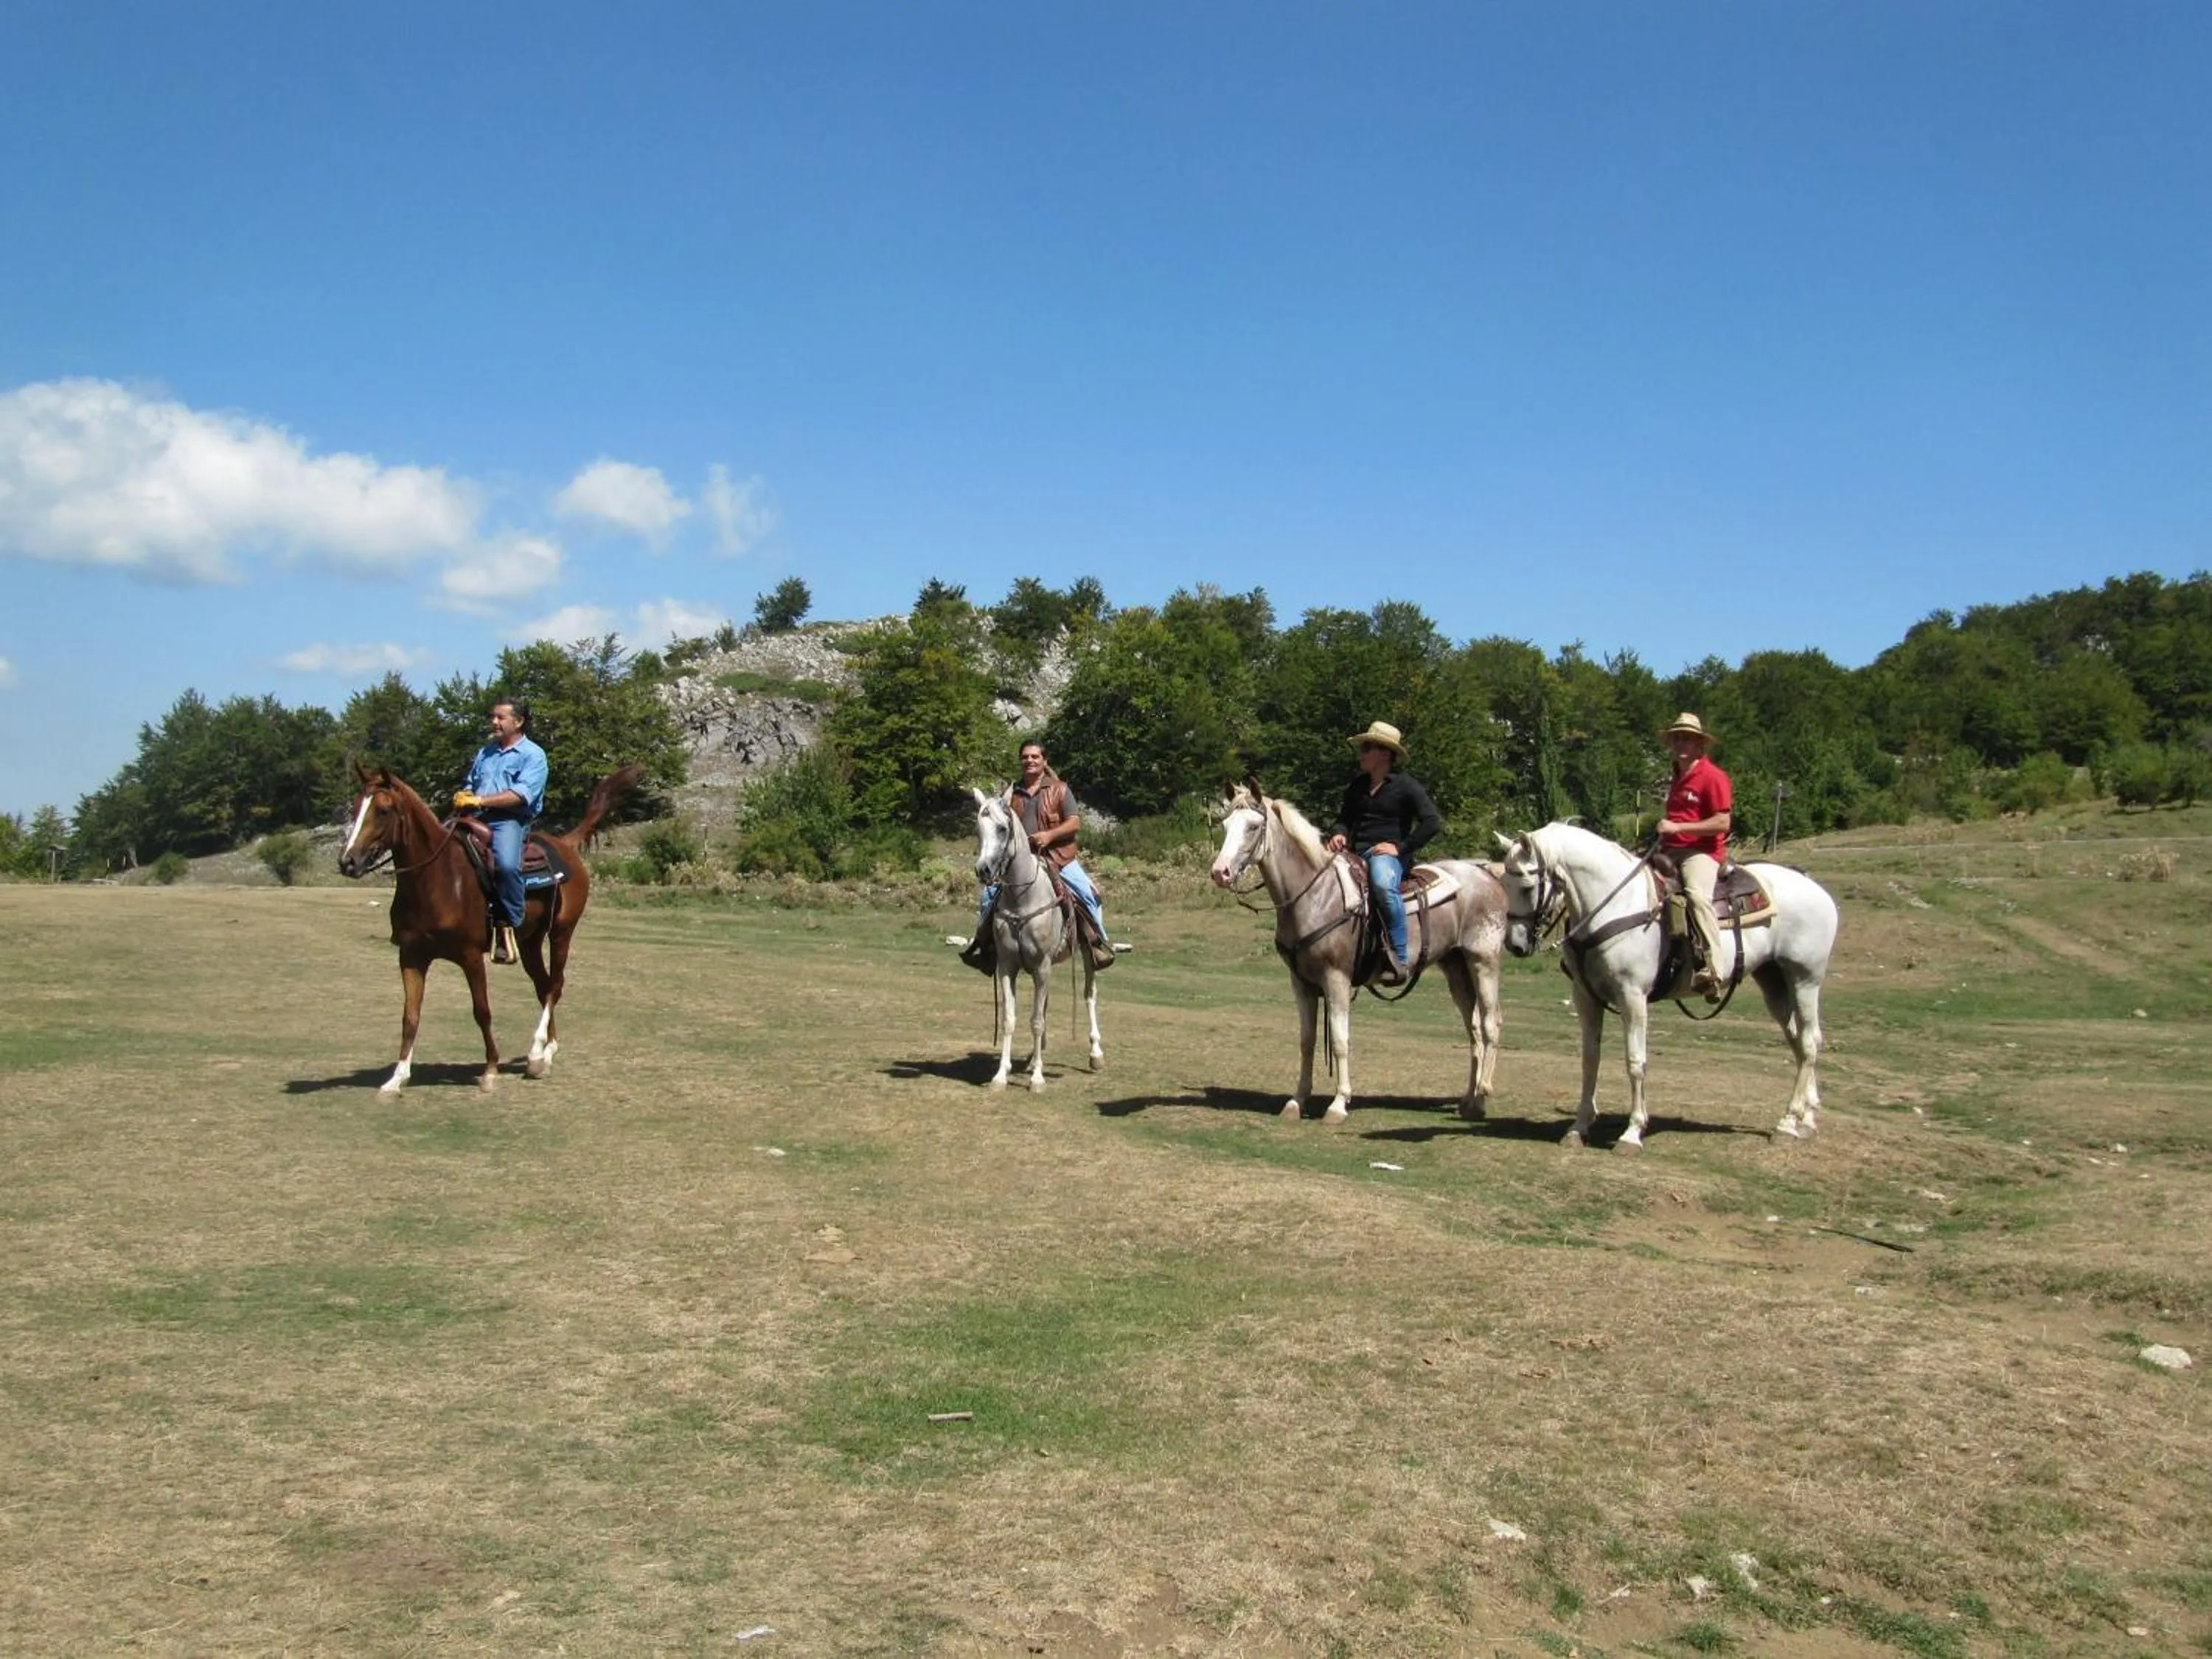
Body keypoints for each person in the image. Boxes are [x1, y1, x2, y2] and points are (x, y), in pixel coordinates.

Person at [961, 740, 1112, 971]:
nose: (1030, 761)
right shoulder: (1011, 794)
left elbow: (1074, 823)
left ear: (1044, 761)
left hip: (1058, 858)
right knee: (988, 896)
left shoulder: (1060, 789)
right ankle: (984, 947)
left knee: (1086, 893)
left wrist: (1049, 836)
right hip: (1022, 861)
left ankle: (1097, 945)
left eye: (1035, 757)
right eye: (1025, 757)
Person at [1325, 720, 1441, 987]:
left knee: (1382, 884)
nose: (1362, 753)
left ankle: (1399, 959)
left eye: (1368, 747)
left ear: (1386, 754)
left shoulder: (1406, 786)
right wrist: (1338, 834)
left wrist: (1399, 848)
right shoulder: (1357, 786)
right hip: (1353, 854)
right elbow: (1343, 819)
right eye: (1363, 747)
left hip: (1388, 858)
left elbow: (1432, 822)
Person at [452, 696, 549, 965]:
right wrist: (466, 794)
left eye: (500, 718)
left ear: (518, 722)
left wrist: (480, 800)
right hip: (475, 817)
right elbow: (471, 782)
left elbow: (521, 795)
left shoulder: (534, 755)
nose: (494, 722)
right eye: (493, 717)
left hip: (509, 820)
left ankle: (513, 923)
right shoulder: (486, 752)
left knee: (506, 865)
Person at [1658, 712, 1733, 997]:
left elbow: (1722, 822)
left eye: (1686, 738)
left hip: (1700, 852)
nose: (1680, 744)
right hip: (1669, 850)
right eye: (1676, 738)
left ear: (1700, 744)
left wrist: (1678, 827)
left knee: (1697, 896)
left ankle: (1713, 968)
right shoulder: (1677, 776)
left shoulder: (1713, 777)